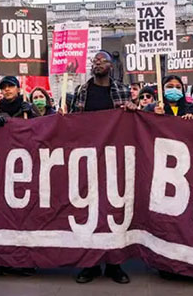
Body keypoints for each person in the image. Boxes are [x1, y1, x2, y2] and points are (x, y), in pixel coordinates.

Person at [67, 50, 135, 284]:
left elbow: (132, 122)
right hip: (88, 158)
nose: (97, 63)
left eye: (102, 60)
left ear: (111, 65)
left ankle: (115, 264)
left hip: (115, 158)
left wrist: (132, 110)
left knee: (115, 210)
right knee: (88, 210)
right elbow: (74, 123)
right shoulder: (81, 91)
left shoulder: (123, 90)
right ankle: (91, 263)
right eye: (94, 61)